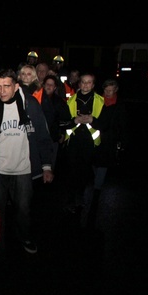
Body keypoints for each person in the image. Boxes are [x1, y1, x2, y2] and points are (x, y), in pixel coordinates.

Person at [0, 69, 55, 265]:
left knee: (23, 210)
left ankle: (24, 237)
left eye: (7, 86)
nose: (2, 91)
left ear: (16, 86)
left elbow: (42, 136)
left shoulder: (29, 104)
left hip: (23, 170)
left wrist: (46, 166)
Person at [84, 78, 127, 224]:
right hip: (96, 137)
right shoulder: (98, 102)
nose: (108, 93)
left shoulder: (119, 106)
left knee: (103, 163)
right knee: (94, 161)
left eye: (111, 90)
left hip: (109, 140)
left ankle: (97, 189)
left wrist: (120, 139)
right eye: (106, 90)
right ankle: (97, 181)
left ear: (115, 90)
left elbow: (121, 124)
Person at [63, 72, 104, 217]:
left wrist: (92, 120)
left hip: (89, 142)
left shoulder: (100, 101)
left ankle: (80, 198)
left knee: (84, 171)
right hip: (73, 140)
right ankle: (70, 200)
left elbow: (105, 124)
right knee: (72, 171)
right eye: (83, 82)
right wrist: (74, 121)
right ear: (79, 84)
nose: (86, 85)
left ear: (93, 85)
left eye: (89, 82)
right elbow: (63, 122)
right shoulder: (71, 100)